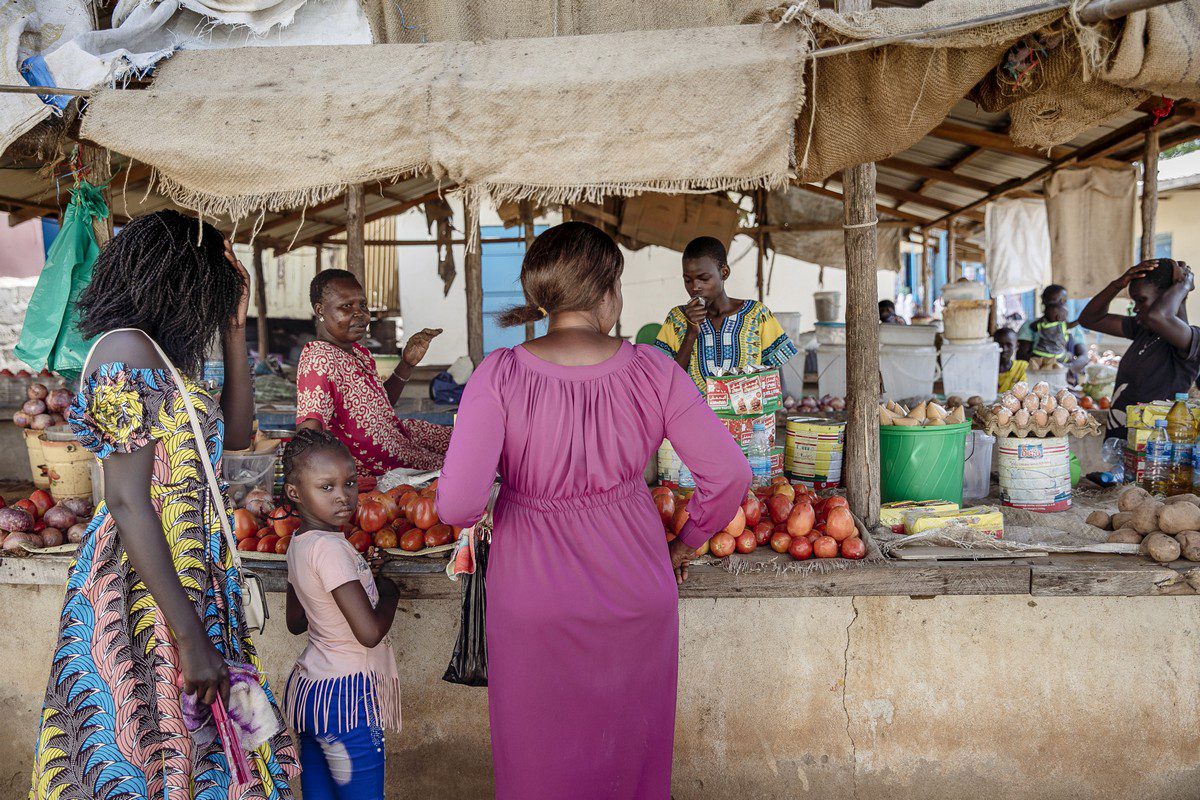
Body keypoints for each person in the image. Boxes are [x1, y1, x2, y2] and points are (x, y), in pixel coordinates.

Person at [435, 221, 750, 800]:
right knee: (628, 762)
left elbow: (457, 502)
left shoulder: (499, 375)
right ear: (608, 292)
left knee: (540, 767)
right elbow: (729, 475)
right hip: (637, 586)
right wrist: (685, 543)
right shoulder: (655, 371)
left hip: (532, 600)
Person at [30, 210, 298, 799]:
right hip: (147, 592)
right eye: (213, 289)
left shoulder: (164, 356)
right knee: (147, 751)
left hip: (190, 577)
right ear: (182, 280)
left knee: (203, 753)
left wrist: (234, 329)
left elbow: (235, 436)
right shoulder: (125, 350)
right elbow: (127, 502)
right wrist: (188, 635)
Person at [283, 429, 401, 800]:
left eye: (349, 483)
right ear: (294, 493)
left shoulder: (299, 543)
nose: (343, 496)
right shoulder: (332, 550)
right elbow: (368, 633)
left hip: (313, 693)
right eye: (327, 487)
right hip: (348, 698)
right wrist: (389, 592)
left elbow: (296, 621)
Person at [296, 269, 450, 475]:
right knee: (460, 462)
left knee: (462, 438)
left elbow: (381, 407)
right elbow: (308, 436)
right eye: (346, 306)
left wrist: (407, 364)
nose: (360, 314)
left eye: (363, 305)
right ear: (320, 310)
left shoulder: (360, 353)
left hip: (397, 440)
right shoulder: (320, 358)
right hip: (375, 466)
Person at [1078, 258, 1200, 441]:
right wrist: (1118, 284)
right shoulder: (1144, 331)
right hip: (1122, 448)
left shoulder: (1190, 340)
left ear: (1166, 297)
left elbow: (1157, 316)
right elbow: (1089, 319)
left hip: (1153, 455)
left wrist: (1184, 285)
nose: (1135, 308)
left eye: (1141, 300)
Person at [654, 236, 797, 391]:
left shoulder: (757, 314)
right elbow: (665, 380)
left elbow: (776, 379)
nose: (695, 287)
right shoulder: (676, 319)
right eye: (688, 280)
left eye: (704, 278)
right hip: (695, 415)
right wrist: (690, 333)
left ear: (724, 273)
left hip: (750, 415)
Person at [1017, 284, 1086, 367]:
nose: (1063, 303)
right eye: (1059, 300)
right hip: (1038, 373)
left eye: (1064, 300)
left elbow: (1083, 357)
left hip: (1065, 373)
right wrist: (1045, 365)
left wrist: (1068, 368)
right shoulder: (1028, 326)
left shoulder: (1072, 329)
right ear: (1044, 301)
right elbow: (1021, 356)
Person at [995, 327, 1028, 394]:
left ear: (1016, 346)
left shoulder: (1021, 367)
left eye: (1009, 345)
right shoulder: (987, 369)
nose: (1004, 349)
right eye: (1000, 345)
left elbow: (1021, 394)